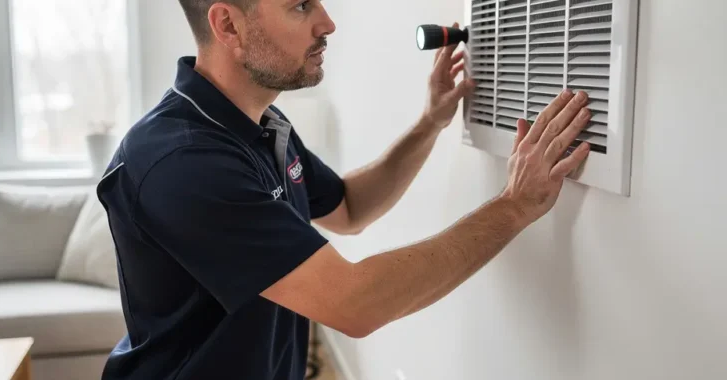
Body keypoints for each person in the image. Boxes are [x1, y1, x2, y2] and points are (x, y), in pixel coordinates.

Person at [97, 0, 593, 379]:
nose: (327, 22)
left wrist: (429, 123)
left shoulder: (262, 124)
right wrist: (514, 206)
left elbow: (349, 208)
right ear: (228, 25)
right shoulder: (182, 161)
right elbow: (356, 303)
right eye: (300, 5)